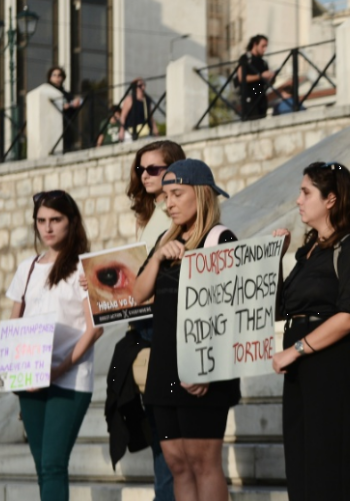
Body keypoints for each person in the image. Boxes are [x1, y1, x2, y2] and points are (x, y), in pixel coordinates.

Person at [0, 190, 104, 501]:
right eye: (41, 221)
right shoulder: (28, 268)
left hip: (70, 379)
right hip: (30, 376)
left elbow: (95, 329)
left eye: (55, 220)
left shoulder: (84, 268)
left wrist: (59, 369)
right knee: (42, 468)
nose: (47, 228)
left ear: (71, 221)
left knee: (52, 465)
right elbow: (14, 323)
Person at [132, 159, 239, 501]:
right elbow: (137, 294)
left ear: (202, 194)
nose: (169, 203)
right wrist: (158, 257)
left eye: (177, 194)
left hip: (204, 367)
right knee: (177, 464)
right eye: (166, 196)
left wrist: (208, 368)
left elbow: (232, 311)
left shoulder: (220, 239)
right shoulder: (166, 241)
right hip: (165, 366)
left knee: (203, 463)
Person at [271, 162, 350, 500]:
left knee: (330, 469)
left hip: (332, 366)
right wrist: (275, 260)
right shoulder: (308, 250)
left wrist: (295, 349)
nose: (298, 200)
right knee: (301, 467)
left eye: (306, 192)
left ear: (331, 199)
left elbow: (349, 317)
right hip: (300, 371)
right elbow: (281, 309)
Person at [125, 140, 187, 499]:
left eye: (153, 168)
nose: (145, 175)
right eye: (141, 168)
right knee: (162, 442)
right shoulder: (151, 215)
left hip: (162, 326)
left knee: (171, 447)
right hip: (144, 324)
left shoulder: (174, 217)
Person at [237, 34, 274, 120]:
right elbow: (241, 78)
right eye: (263, 46)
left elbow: (268, 83)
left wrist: (271, 77)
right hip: (250, 99)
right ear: (255, 44)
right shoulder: (245, 58)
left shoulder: (263, 62)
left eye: (266, 46)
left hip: (262, 99)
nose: (265, 49)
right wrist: (260, 76)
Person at [48, 66, 83, 152]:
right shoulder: (48, 91)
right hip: (51, 128)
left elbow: (78, 101)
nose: (57, 78)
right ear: (50, 78)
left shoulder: (66, 94)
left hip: (66, 127)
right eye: (54, 75)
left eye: (59, 75)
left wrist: (76, 103)